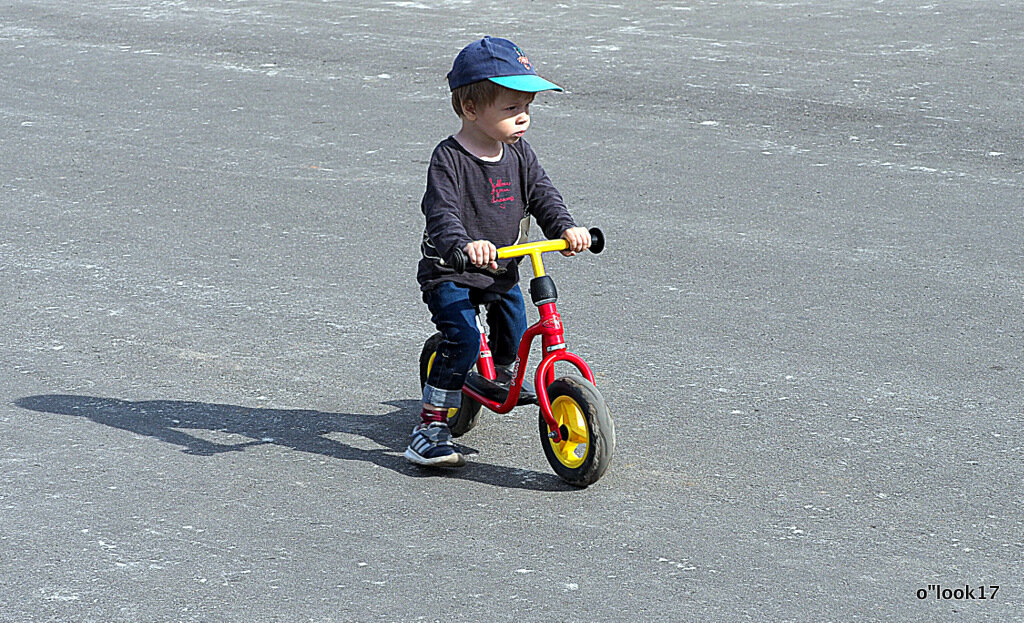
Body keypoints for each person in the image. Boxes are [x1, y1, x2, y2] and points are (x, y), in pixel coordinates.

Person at [407, 36, 591, 467]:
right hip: (451, 271)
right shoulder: (448, 159)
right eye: (511, 109)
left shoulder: (519, 153)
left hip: (502, 269)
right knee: (464, 340)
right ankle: (430, 424)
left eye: (527, 107)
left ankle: (502, 374)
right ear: (471, 109)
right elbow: (441, 212)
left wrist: (565, 227)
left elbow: (543, 194)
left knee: (513, 326)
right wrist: (464, 245)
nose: (523, 117)